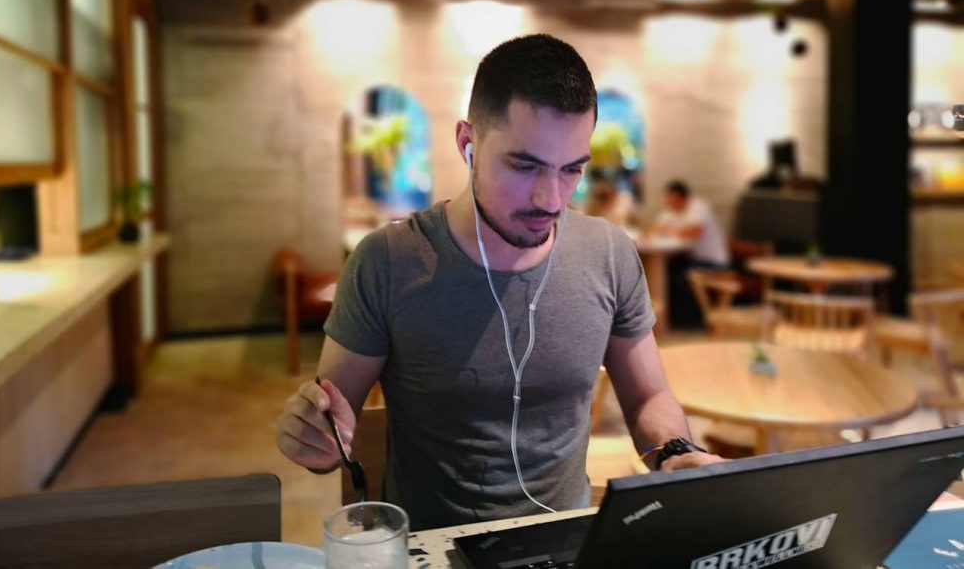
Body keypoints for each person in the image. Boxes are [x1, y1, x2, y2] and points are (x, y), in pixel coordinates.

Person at [276, 35, 721, 531]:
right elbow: (330, 429)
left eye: (571, 170)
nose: (551, 199)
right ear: (467, 144)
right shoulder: (388, 262)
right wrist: (314, 435)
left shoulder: (609, 254)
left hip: (563, 541)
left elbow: (648, 397)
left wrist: (674, 451)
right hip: (432, 548)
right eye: (525, 166)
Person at [652, 180, 729, 327]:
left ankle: (691, 321)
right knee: (666, 271)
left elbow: (693, 232)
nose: (669, 203)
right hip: (691, 258)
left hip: (712, 261)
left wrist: (668, 231)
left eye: (671, 199)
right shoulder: (671, 211)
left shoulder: (699, 206)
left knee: (681, 277)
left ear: (681, 197)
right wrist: (668, 230)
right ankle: (671, 319)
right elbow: (657, 229)